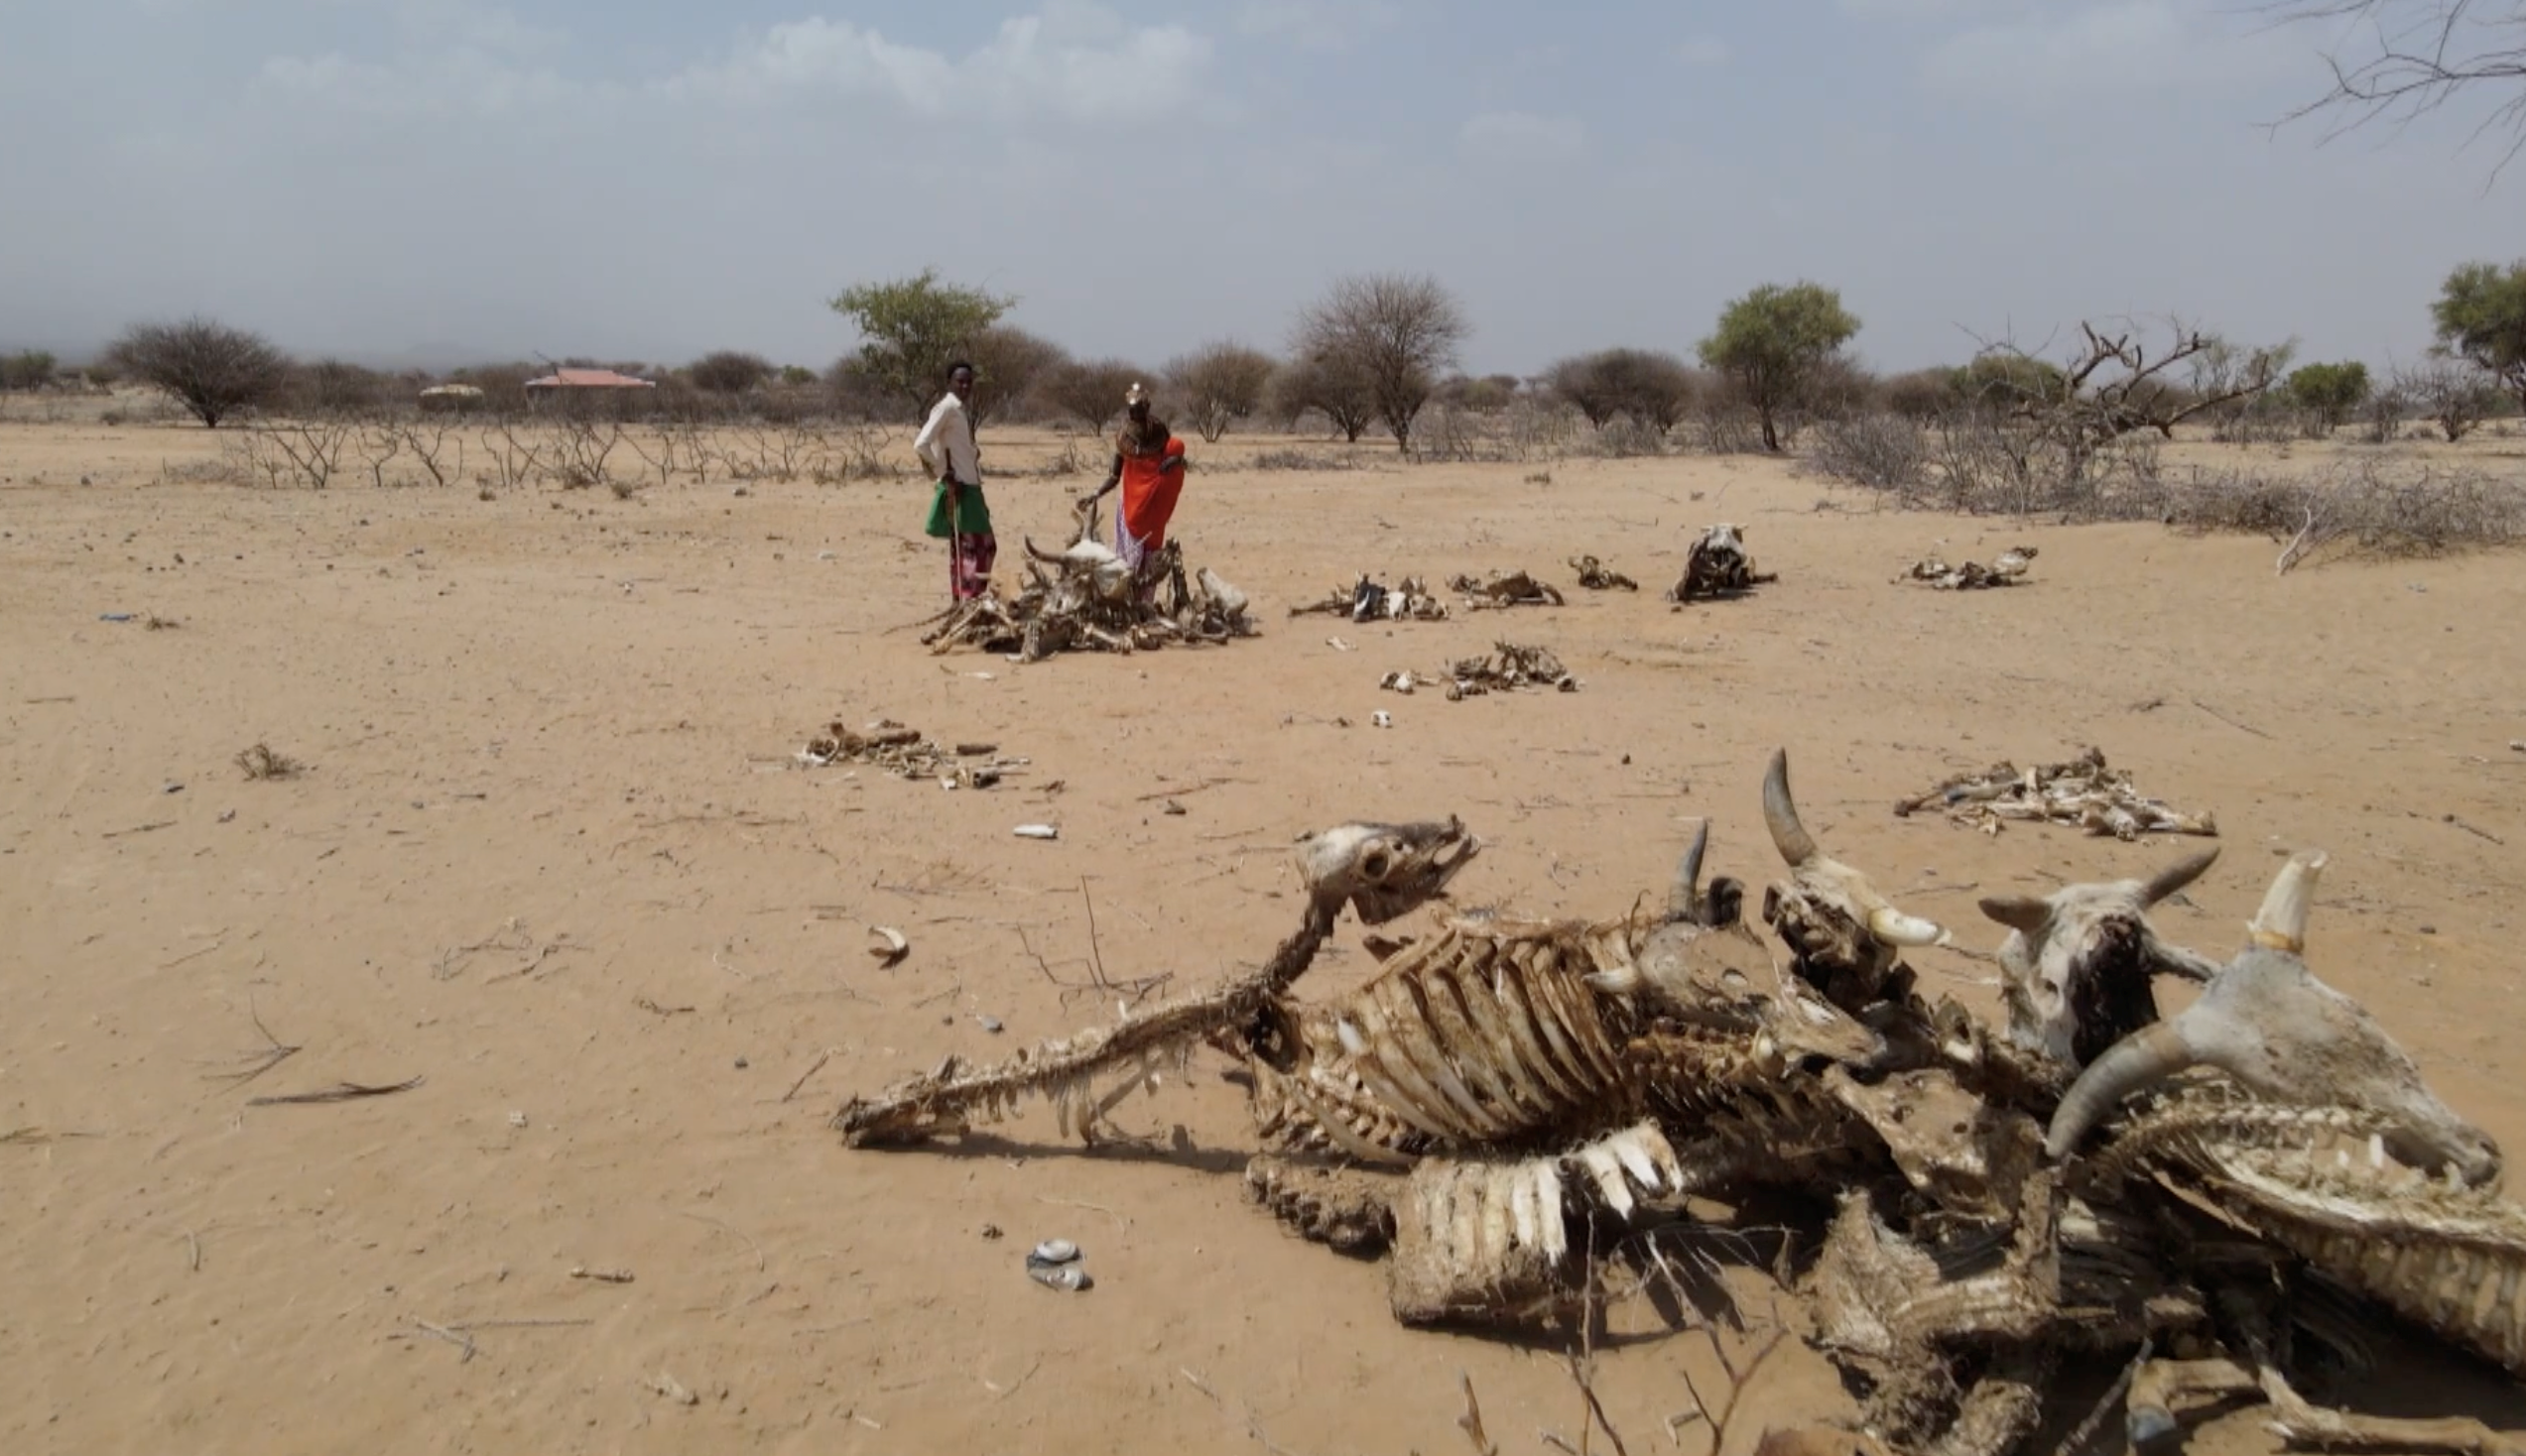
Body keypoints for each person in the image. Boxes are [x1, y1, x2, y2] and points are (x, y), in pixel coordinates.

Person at [1077, 381, 1187, 594]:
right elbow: (1114, 476)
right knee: (1129, 559)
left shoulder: (1159, 431)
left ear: (1147, 407)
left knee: (1151, 560)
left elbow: (1178, 455)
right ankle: (1126, 599)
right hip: (1131, 504)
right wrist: (1095, 494)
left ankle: (1144, 603)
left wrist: (1175, 462)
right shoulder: (1123, 437)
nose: (1134, 412)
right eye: (1131, 408)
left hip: (1153, 506)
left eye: (1138, 408)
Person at [914, 360, 992, 601]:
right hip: (961, 489)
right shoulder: (946, 408)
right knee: (980, 547)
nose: (965, 386)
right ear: (949, 383)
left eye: (969, 381)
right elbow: (921, 443)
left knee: (966, 549)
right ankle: (969, 600)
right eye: (960, 381)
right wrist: (942, 472)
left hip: (971, 486)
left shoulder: (959, 409)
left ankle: (963, 600)